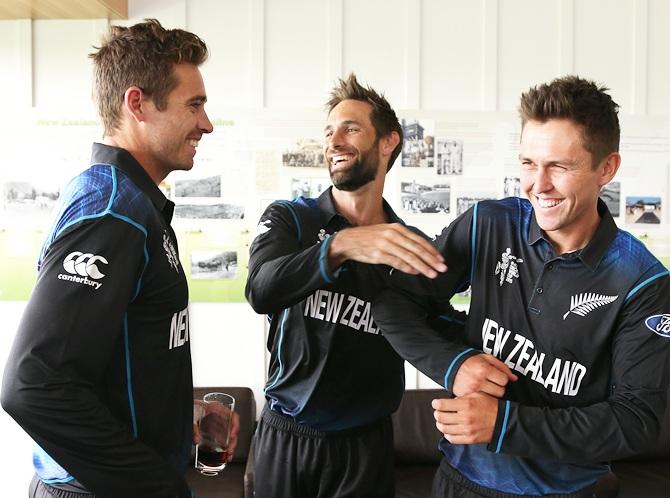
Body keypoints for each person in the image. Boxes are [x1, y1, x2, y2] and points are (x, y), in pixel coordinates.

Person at [373, 75, 670, 497]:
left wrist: (504, 424)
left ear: (607, 168)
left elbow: (635, 421)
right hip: (459, 480)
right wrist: (454, 364)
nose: (538, 184)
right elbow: (395, 302)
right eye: (529, 163)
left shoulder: (644, 283)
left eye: (559, 167)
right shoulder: (487, 224)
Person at [1, 19, 238, 497]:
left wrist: (182, 414)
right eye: (195, 105)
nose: (206, 123)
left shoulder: (135, 205)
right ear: (137, 104)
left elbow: (112, 356)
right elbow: (33, 384)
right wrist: (157, 487)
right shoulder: (114, 212)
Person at [245, 73, 453, 498]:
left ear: (388, 142)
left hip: (365, 446)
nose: (334, 141)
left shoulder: (408, 246)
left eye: (350, 129)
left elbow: (439, 328)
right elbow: (261, 290)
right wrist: (340, 246)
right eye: (329, 131)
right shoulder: (292, 218)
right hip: (286, 435)